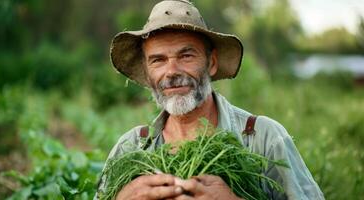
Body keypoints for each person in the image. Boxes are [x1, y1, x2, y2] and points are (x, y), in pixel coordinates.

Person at [94, 0, 324, 199]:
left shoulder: (263, 139)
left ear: (211, 63)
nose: (171, 71)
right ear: (147, 72)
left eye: (186, 56)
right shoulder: (131, 148)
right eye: (158, 60)